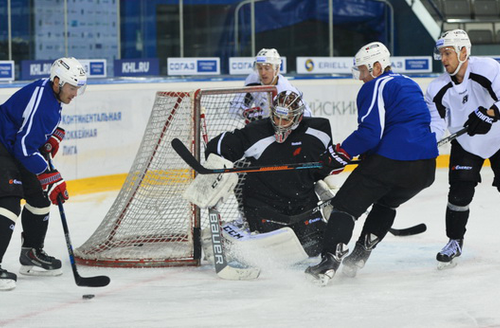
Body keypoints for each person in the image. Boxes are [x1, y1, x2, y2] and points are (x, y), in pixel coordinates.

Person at [305, 42, 439, 285]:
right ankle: (357, 256)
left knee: (344, 207)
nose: (361, 78)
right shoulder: (409, 83)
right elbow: (403, 126)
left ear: (377, 67)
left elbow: (369, 133)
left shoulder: (376, 85)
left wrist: (339, 154)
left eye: (363, 71)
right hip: (425, 168)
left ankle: (328, 263)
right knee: (386, 205)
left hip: (392, 162)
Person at [188, 90, 335, 266]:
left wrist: (324, 190)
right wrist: (216, 161)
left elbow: (322, 167)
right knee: (272, 255)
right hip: (264, 206)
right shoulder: (258, 131)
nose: (279, 124)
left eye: (286, 119)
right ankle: (226, 236)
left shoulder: (320, 132)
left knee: (316, 247)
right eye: (276, 117)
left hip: (302, 205)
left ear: (298, 117)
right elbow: (219, 146)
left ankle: (234, 232)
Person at [0, 57, 87, 291]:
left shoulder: (50, 93)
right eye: (72, 87)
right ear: (57, 82)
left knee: (39, 197)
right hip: (3, 146)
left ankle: (31, 254)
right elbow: (25, 148)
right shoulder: (45, 102)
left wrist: (51, 137)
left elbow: (31, 130)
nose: (75, 93)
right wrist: (52, 176)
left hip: (13, 146)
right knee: (8, 201)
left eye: (78, 88)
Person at [425, 29, 500, 269]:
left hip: (499, 138)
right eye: (441, 54)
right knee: (459, 193)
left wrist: (489, 113)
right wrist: (427, 143)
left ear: (464, 52)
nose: (444, 59)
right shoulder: (436, 89)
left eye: (448, 53)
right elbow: (436, 124)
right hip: (467, 143)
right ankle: (454, 241)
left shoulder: (487, 69)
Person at [230, 48, 312, 124]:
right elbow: (234, 110)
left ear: (276, 69)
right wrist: (246, 113)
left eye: (267, 68)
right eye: (259, 68)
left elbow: (304, 118)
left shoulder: (286, 91)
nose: (263, 73)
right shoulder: (253, 79)